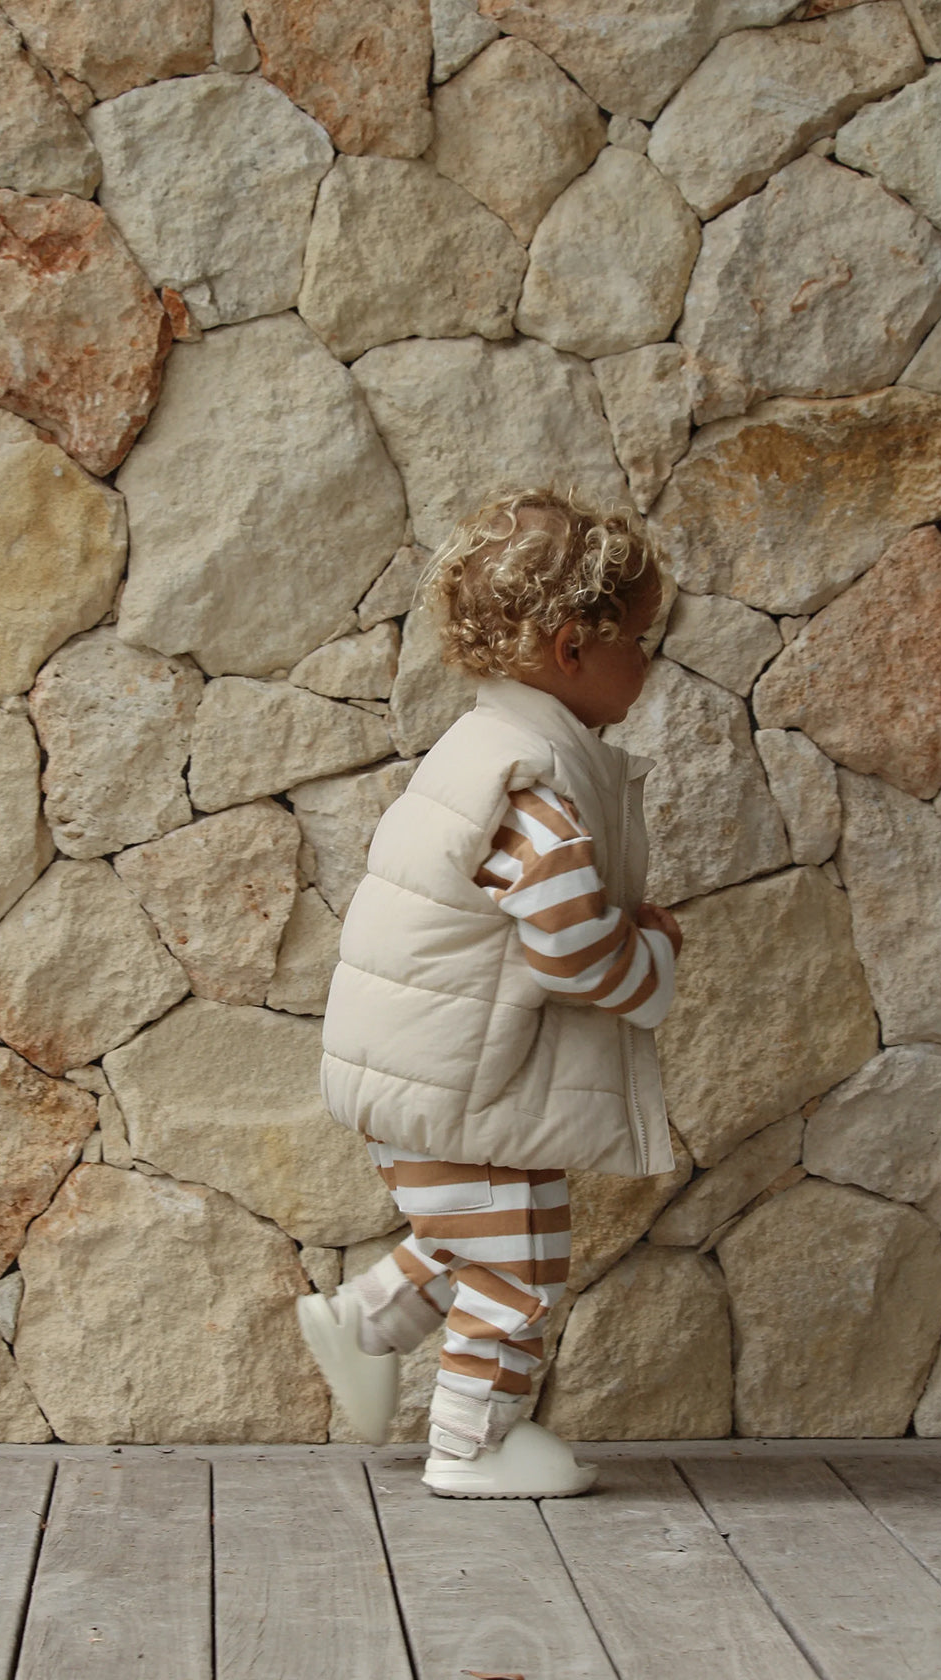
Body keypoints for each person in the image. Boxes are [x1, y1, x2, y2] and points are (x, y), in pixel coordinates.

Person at [298, 487, 683, 1499]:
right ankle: (470, 1448)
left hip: (440, 1064)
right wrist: (648, 954)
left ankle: (360, 1325)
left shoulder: (485, 751)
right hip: (459, 1080)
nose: (648, 662)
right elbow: (570, 953)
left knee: (474, 1235)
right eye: (639, 641)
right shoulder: (531, 790)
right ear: (570, 648)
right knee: (518, 1268)